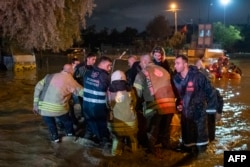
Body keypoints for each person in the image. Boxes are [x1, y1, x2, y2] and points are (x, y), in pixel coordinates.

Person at [173, 55, 218, 154]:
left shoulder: (198, 76)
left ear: (185, 64)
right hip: (186, 113)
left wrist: (211, 111)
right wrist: (179, 104)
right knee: (188, 141)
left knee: (201, 142)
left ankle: (202, 157)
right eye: (175, 63)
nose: (175, 66)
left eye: (177, 63)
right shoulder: (176, 79)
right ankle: (189, 150)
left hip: (199, 112)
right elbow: (179, 96)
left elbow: (211, 92)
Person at [133, 54, 176, 156]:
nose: (140, 65)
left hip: (156, 106)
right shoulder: (164, 71)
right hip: (170, 105)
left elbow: (137, 94)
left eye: (140, 62)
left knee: (152, 128)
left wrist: (136, 108)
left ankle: (151, 149)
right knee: (165, 129)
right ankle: (166, 145)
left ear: (144, 61)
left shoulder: (142, 74)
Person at [33, 64, 83, 143]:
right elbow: (82, 92)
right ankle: (70, 136)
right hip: (58, 108)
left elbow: (37, 87)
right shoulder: (70, 79)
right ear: (71, 71)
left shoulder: (49, 76)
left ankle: (55, 139)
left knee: (50, 124)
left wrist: (35, 104)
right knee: (67, 121)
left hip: (43, 108)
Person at [83, 56, 112, 146]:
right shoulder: (105, 76)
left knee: (89, 122)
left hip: (86, 104)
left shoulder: (87, 73)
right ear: (102, 64)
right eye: (109, 65)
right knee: (101, 124)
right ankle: (105, 142)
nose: (110, 68)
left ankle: (87, 139)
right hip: (98, 106)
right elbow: (110, 92)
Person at [107, 70, 138, 156]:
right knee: (133, 138)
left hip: (115, 123)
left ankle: (115, 153)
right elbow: (134, 103)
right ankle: (134, 153)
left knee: (116, 139)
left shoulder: (108, 91)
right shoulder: (131, 90)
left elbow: (107, 104)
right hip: (131, 122)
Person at [73, 52, 97, 124]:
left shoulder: (94, 68)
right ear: (88, 59)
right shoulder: (80, 67)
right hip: (81, 89)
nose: (94, 61)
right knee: (83, 104)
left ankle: (89, 117)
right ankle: (84, 117)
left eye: (95, 59)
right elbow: (74, 78)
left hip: (91, 89)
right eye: (93, 59)